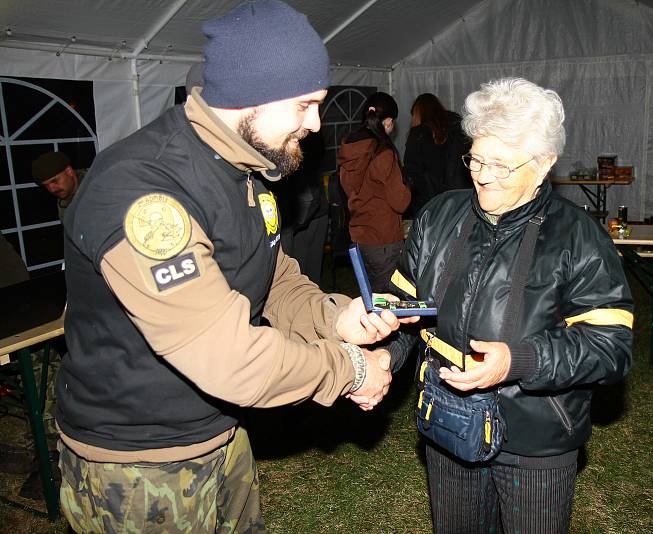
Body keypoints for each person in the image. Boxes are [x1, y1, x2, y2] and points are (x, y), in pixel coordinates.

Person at [55, 2, 416, 532]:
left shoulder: (242, 169)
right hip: (137, 461)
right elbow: (226, 356)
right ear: (251, 95)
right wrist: (350, 370)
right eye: (304, 105)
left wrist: (339, 318)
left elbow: (272, 277)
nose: (315, 125)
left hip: (218, 432)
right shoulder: (145, 192)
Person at [368, 78, 634, 533]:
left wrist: (518, 360)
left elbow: (611, 348)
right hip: (448, 421)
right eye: (477, 158)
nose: (483, 175)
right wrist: (383, 355)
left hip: (537, 439)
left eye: (503, 166)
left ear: (545, 163)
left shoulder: (580, 239)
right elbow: (405, 306)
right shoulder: (438, 217)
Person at [338, 91, 411, 292]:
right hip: (383, 239)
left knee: (371, 296)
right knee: (389, 300)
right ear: (387, 121)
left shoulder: (349, 149)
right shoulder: (382, 152)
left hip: (359, 236)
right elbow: (400, 201)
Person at [273, 130, 329, 285]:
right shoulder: (306, 137)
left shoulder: (299, 143)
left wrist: (294, 224)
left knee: (299, 278)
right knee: (303, 277)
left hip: (302, 216)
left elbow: (307, 195)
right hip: (309, 212)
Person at [403, 92, 472, 216]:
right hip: (460, 196)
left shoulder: (419, 134)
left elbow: (412, 170)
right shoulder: (459, 129)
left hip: (429, 201)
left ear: (418, 113)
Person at [31, 151, 85, 221]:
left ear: (69, 171)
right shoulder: (63, 203)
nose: (52, 189)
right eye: (46, 186)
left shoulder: (96, 185)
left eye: (54, 181)